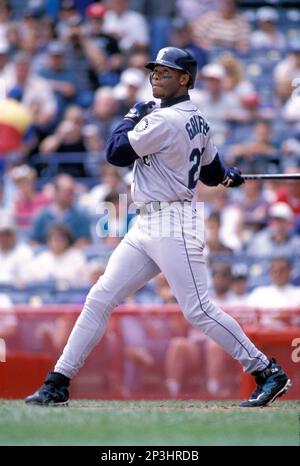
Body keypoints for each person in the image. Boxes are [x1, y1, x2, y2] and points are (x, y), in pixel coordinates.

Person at [25, 46, 291, 408]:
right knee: (100, 297)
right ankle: (58, 382)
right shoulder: (197, 118)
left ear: (185, 79)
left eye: (166, 71)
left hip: (174, 221)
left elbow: (115, 152)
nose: (156, 76)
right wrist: (228, 176)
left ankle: (267, 371)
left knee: (198, 308)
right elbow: (212, 172)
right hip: (148, 221)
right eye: (155, 70)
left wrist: (132, 113)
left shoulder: (164, 119)